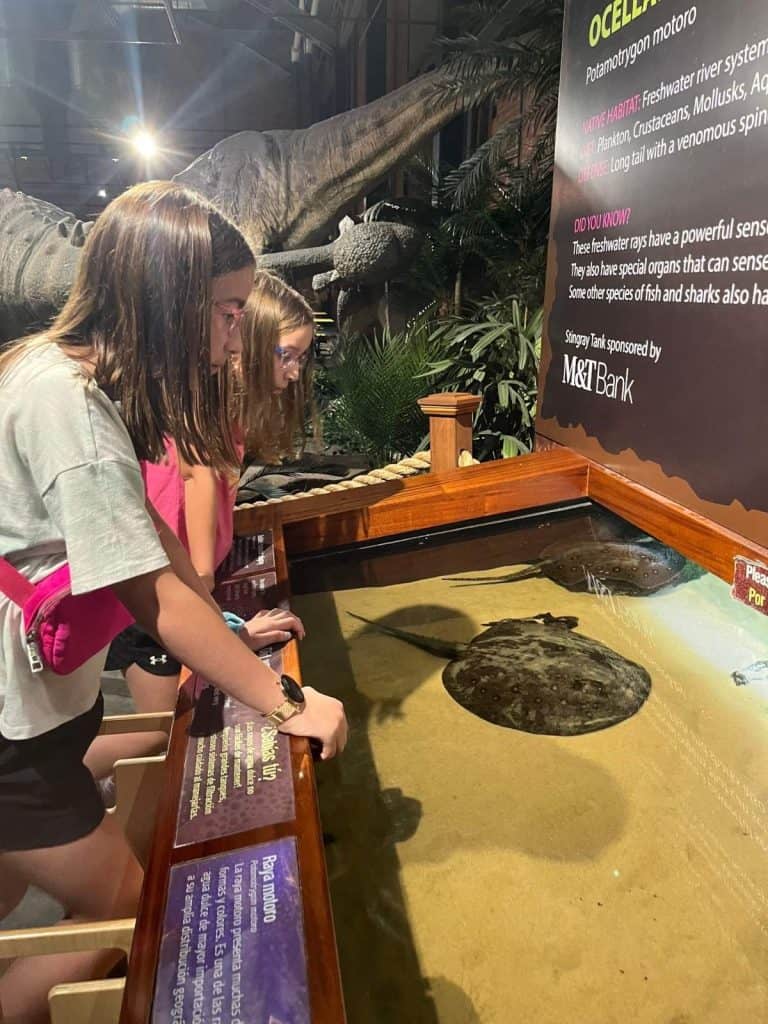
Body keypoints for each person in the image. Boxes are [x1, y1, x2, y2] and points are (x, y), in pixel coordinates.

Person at [0, 182, 346, 1023]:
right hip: (12, 728)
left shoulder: (63, 375)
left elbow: (150, 533)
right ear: (168, 298)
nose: (237, 336)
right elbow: (152, 593)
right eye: (228, 311)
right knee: (126, 908)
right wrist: (286, 699)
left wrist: (226, 625)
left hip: (41, 706)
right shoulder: (67, 405)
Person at [84, 270, 318, 784]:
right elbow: (199, 478)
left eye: (302, 356)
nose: (296, 370)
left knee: (162, 731)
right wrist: (212, 595)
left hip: (165, 586)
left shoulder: (216, 403)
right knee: (162, 733)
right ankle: (46, 788)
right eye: (287, 354)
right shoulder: (207, 409)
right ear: (252, 342)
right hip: (153, 596)